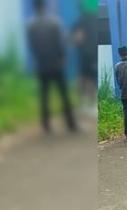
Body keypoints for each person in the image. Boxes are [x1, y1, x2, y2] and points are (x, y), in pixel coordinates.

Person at [27, 0, 77, 133]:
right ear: (44, 6)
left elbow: (32, 47)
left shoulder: (31, 25)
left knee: (44, 96)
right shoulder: (54, 22)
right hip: (56, 64)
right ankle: (71, 124)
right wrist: (63, 57)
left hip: (42, 65)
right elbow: (60, 43)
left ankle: (46, 126)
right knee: (64, 95)